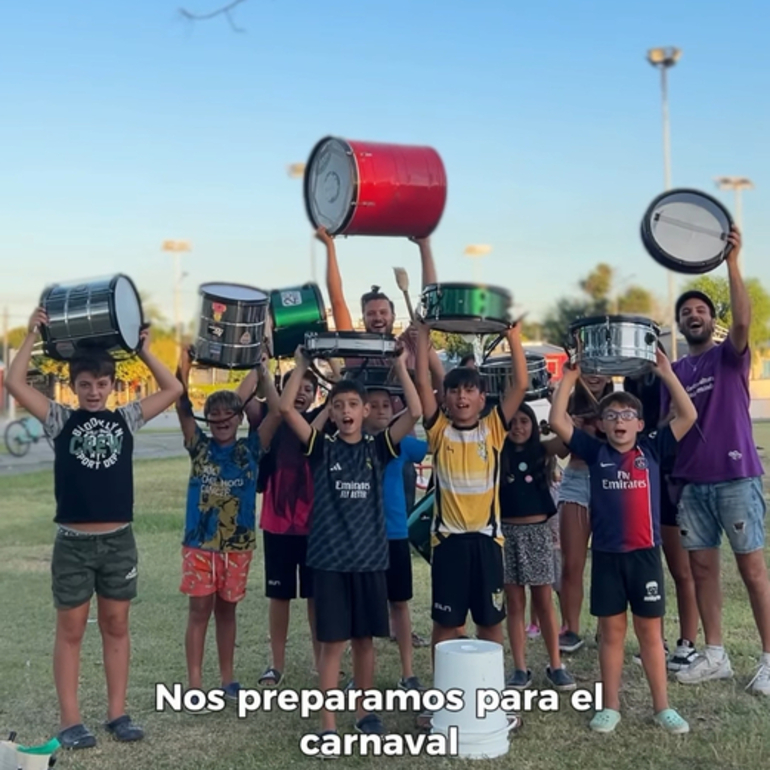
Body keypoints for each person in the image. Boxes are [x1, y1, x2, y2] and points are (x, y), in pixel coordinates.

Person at [5, 308, 183, 749]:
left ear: (112, 386)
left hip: (118, 541)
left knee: (117, 625)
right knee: (71, 630)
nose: (93, 392)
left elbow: (175, 388)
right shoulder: (59, 419)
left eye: (101, 384)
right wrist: (30, 334)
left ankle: (117, 713)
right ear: (73, 385)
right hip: (74, 543)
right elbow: (13, 382)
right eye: (85, 384)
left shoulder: (126, 419)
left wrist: (142, 350)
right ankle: (71, 721)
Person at [548, 349, 696, 734]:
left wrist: (666, 373)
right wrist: (570, 376)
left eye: (627, 415)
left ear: (640, 423)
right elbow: (556, 420)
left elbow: (688, 415)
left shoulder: (652, 449)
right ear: (601, 424)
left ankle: (662, 706)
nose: (619, 421)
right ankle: (610, 705)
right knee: (611, 634)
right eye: (611, 415)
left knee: (650, 634)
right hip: (609, 560)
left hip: (645, 558)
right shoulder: (595, 453)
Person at [278, 345, 422, 740]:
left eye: (353, 405)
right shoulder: (321, 449)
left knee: (364, 641)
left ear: (365, 411)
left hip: (370, 561)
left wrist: (399, 366)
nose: (345, 412)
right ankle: (327, 724)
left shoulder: (380, 449)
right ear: (332, 411)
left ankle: (364, 712)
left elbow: (416, 412)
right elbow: (288, 411)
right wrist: (301, 366)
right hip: (329, 563)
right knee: (332, 643)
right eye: (338, 405)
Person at [662, 227, 770, 695]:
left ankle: (769, 659)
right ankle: (716, 655)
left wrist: (732, 263)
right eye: (686, 313)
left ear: (713, 319)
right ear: (680, 325)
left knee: (752, 571)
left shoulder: (730, 357)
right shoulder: (677, 370)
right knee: (703, 570)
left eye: (700, 310)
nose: (693, 316)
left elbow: (744, 323)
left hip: (735, 477)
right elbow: (669, 423)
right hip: (691, 483)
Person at [414, 323, 528, 654]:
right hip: (449, 543)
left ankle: (491, 696)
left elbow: (520, 385)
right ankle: (442, 698)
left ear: (482, 398)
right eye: (454, 391)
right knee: (446, 625)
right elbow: (423, 381)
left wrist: (514, 339)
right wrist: (423, 335)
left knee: (490, 623)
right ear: (445, 398)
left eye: (469, 391)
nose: (461, 396)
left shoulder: (493, 428)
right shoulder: (438, 430)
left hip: (487, 542)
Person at [175, 348, 275, 704]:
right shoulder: (198, 447)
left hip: (238, 545)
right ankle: (195, 684)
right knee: (199, 611)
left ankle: (228, 679)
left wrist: (262, 369)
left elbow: (277, 411)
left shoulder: (251, 449)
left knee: (227, 611)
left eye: (227, 412)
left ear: (238, 417)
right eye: (213, 413)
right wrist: (184, 363)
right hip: (200, 545)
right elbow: (181, 402)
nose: (220, 418)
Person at [246, 368, 330, 686]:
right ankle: (276, 665)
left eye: (309, 388)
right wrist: (262, 366)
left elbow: (341, 390)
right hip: (278, 523)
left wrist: (323, 365)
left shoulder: (323, 420)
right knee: (279, 596)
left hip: (314, 526)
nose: (302, 393)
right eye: (298, 387)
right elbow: (256, 399)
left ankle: (322, 662)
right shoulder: (274, 421)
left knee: (314, 596)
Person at [315, 226, 445, 402]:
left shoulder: (410, 342)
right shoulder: (354, 347)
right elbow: (337, 300)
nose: (378, 317)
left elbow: (429, 301)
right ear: (364, 318)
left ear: (393, 315)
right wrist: (330, 247)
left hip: (405, 426)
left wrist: (424, 246)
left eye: (383, 312)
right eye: (371, 313)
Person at [624, 370, 699, 671]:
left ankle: (688, 643)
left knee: (681, 569)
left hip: (671, 475)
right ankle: (657, 641)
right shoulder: (630, 382)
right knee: (649, 564)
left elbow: (685, 415)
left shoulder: (671, 374)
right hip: (642, 476)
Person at [499, 402, 576, 691]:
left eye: (524, 421)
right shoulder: (499, 453)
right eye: (512, 421)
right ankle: (520, 668)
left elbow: (566, 437)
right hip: (507, 533)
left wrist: (560, 403)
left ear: (534, 424)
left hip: (538, 532)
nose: (518, 427)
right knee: (515, 602)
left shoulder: (543, 451)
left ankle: (556, 664)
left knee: (543, 599)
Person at [364, 387, 428, 690]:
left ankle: (407, 671)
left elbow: (430, 443)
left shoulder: (401, 443)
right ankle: (361, 674)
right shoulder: (353, 442)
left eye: (386, 405)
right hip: (362, 538)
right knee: (363, 607)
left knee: (399, 604)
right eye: (372, 405)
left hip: (396, 534)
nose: (380, 410)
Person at [557, 374, 614, 653]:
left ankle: (607, 628)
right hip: (576, 480)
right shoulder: (567, 402)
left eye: (601, 368)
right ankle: (570, 629)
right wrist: (569, 430)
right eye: (589, 367)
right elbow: (557, 451)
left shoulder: (617, 404)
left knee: (609, 561)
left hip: (609, 482)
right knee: (572, 563)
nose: (595, 374)